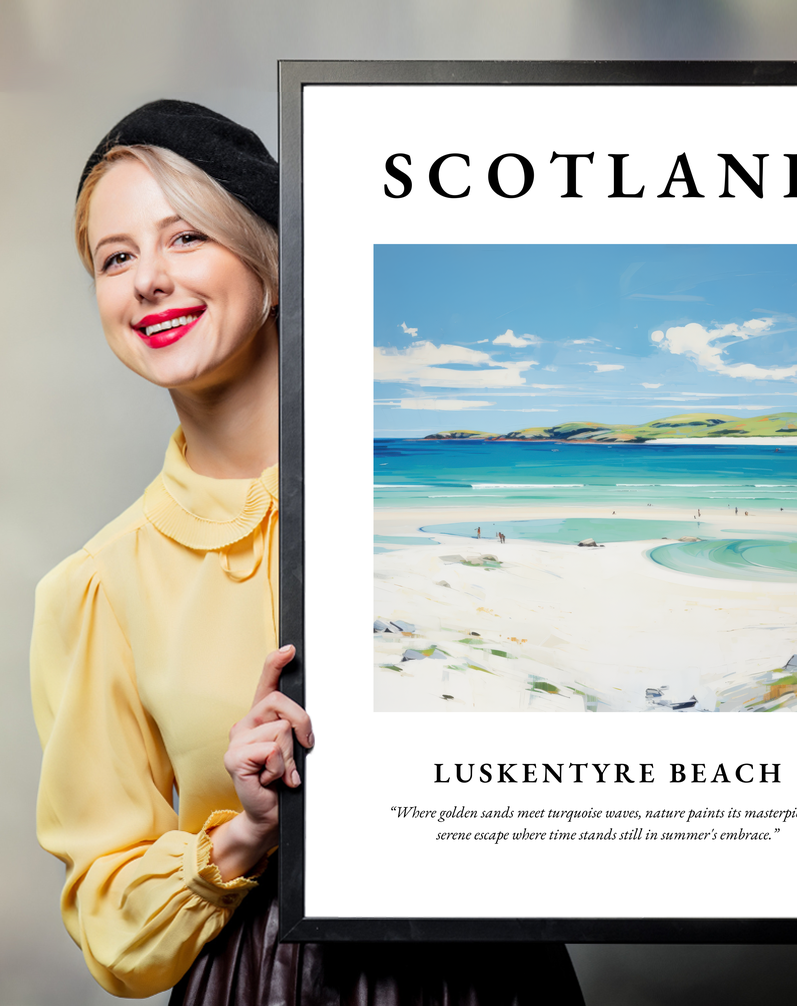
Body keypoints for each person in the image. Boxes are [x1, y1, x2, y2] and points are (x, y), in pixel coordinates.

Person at [30, 100, 584, 1004]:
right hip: (263, 981)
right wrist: (244, 833)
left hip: (493, 972)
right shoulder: (97, 587)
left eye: (186, 238)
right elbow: (110, 924)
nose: (148, 281)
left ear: (273, 263)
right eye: (116, 257)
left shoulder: (432, 501)